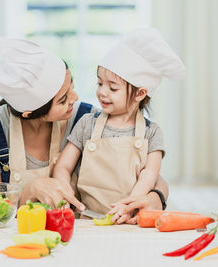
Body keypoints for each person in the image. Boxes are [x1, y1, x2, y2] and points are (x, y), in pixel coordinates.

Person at [0, 36, 169, 212]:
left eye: (72, 86)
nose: (75, 98)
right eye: (63, 99)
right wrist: (30, 191)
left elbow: (148, 175)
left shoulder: (89, 119)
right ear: (29, 114)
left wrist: (155, 198)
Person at [53, 28, 186, 224]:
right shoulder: (87, 123)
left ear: (140, 94)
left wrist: (129, 205)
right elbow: (63, 166)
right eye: (99, 83)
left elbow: (149, 175)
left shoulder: (152, 133)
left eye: (113, 87)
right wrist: (65, 193)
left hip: (130, 219)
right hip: (87, 220)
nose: (102, 92)